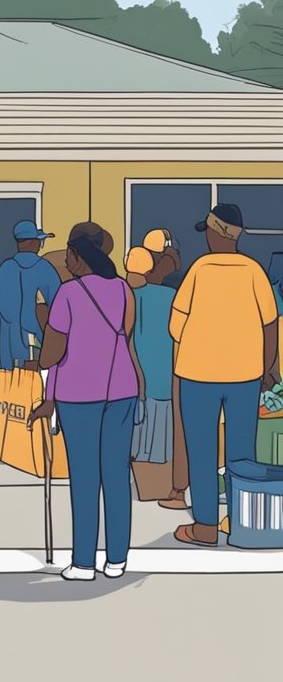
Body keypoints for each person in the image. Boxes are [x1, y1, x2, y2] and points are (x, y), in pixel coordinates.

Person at [30, 224, 141, 581]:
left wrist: (44, 326)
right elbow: (125, 336)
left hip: (79, 396)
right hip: (122, 389)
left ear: (77, 255)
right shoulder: (124, 289)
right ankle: (117, 559)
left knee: (85, 477)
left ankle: (82, 562)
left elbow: (52, 357)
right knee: (116, 475)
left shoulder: (67, 294)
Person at [169, 203, 278, 547]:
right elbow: (270, 323)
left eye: (210, 232)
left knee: (202, 449)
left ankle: (205, 526)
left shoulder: (199, 270)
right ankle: (237, 519)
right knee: (241, 451)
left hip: (197, 374)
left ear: (217, 234)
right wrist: (269, 365)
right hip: (245, 374)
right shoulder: (254, 271)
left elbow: (175, 326)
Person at [126, 234, 185, 509]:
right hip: (167, 380)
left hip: (134, 384)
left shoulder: (126, 296)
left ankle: (145, 485)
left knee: (139, 439)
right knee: (163, 441)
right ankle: (160, 487)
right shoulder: (171, 296)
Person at [0, 222, 62, 371]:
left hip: (5, 343)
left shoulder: (5, 268)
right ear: (32, 242)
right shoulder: (45, 268)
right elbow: (58, 307)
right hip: (35, 340)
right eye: (40, 241)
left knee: (8, 388)